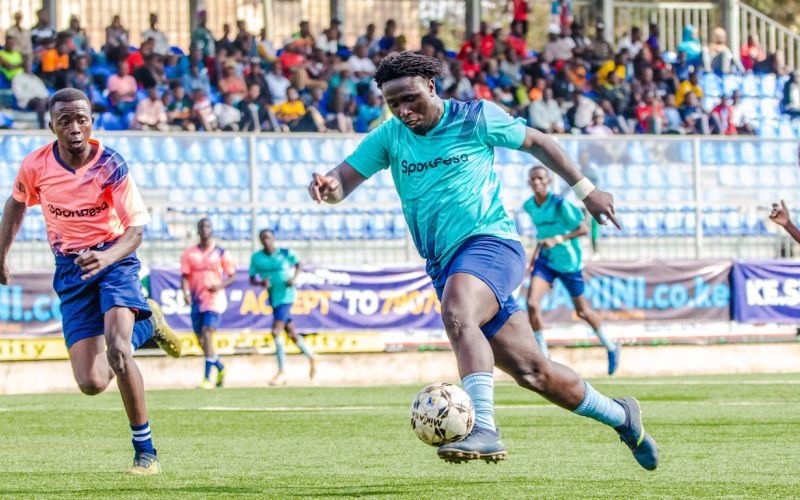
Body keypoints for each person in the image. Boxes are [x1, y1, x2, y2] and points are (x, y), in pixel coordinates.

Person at [307, 52, 658, 468]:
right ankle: (622, 416)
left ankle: (484, 429)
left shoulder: (474, 118)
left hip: (492, 244)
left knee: (457, 313)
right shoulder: (390, 137)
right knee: (534, 373)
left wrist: (586, 191)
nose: (402, 110)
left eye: (410, 98)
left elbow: (539, 142)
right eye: (392, 103)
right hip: (446, 266)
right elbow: (341, 182)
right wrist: (327, 186)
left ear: (431, 87)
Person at [0, 88, 180, 475]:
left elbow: (136, 231)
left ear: (92, 122)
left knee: (118, 351)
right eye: (65, 120)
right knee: (92, 382)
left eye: (81, 119)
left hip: (116, 261)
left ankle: (145, 451)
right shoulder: (36, 166)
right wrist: (1, 255)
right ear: (52, 126)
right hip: (72, 269)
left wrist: (108, 257)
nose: (75, 127)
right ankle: (148, 323)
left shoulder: (111, 164)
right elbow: (16, 203)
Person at [523, 166, 621, 373]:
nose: (537, 182)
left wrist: (558, 239)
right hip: (546, 261)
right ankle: (544, 358)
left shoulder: (560, 205)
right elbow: (542, 234)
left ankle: (611, 346)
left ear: (548, 181)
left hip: (568, 263)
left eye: (540, 178)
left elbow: (583, 228)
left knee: (582, 311)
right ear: (529, 183)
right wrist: (533, 258)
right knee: (531, 304)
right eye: (533, 179)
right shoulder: (529, 206)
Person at [249, 229, 317, 385]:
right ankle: (312, 356)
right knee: (291, 333)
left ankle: (282, 372)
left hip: (286, 296)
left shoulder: (285, 253)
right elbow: (251, 279)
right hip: (273, 296)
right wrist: (261, 282)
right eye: (263, 238)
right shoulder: (257, 258)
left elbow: (299, 264)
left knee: (276, 331)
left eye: (269, 238)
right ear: (260, 240)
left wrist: (293, 278)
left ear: (273, 238)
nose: (266, 241)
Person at [180, 219, 237, 389]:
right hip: (197, 299)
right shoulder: (189, 253)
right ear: (198, 230)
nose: (205, 230)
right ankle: (220, 367)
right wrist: (186, 293)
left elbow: (232, 276)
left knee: (207, 334)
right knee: (201, 340)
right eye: (202, 227)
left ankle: (206, 379)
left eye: (207, 227)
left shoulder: (220, 252)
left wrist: (219, 286)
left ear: (211, 230)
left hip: (214, 300)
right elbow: (184, 276)